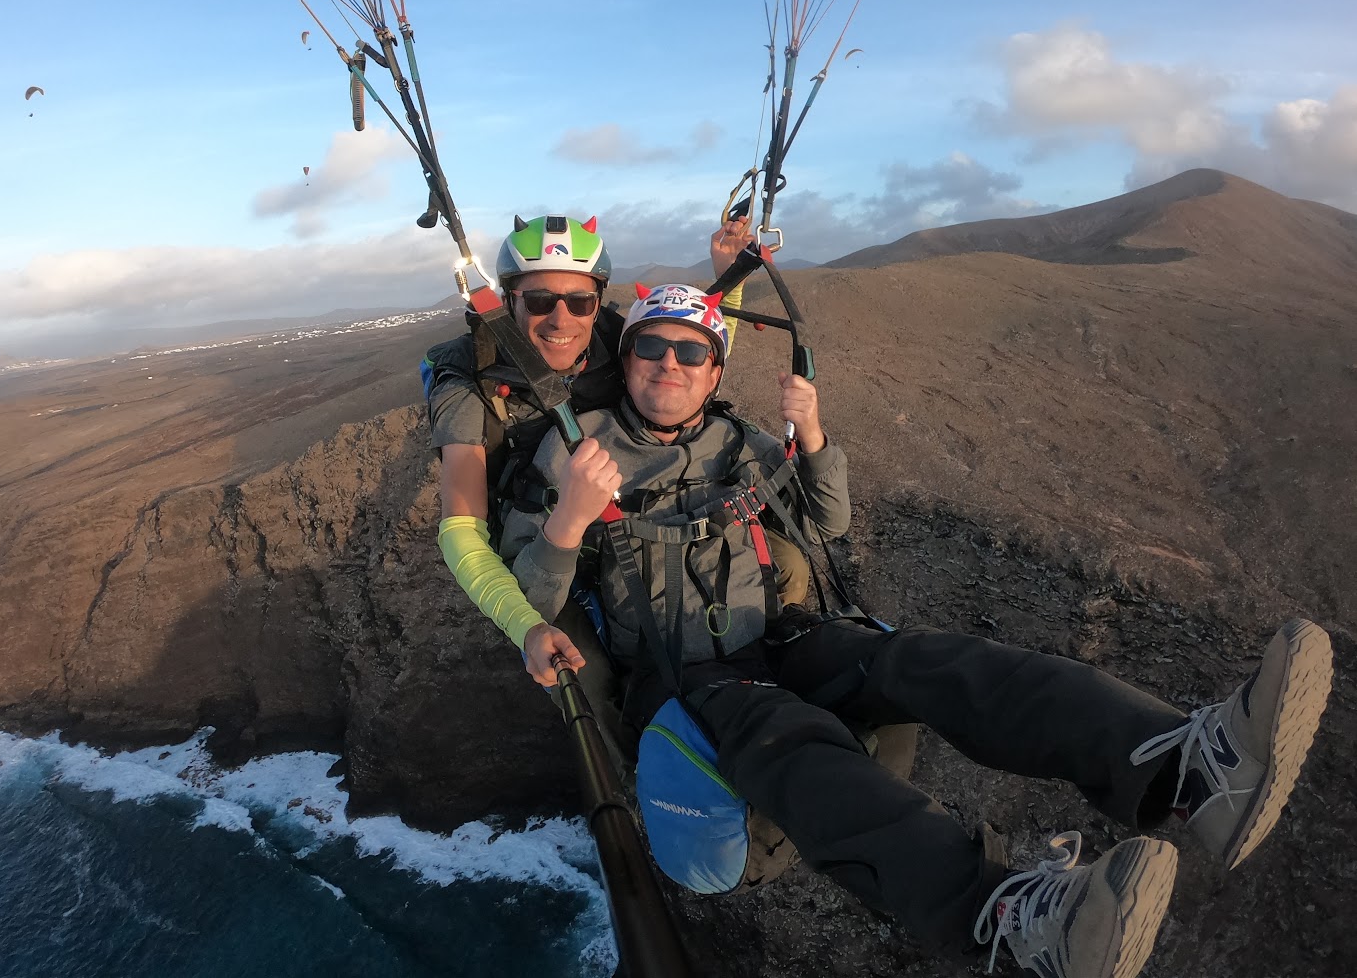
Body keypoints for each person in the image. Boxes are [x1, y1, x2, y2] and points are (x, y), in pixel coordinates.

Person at [498, 282, 1335, 978]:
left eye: (691, 351)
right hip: (682, 679)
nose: (669, 365)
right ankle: (1005, 916)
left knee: (926, 661)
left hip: (779, 637)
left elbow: (826, 522)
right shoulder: (571, 453)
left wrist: (813, 435)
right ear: (628, 355)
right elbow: (531, 600)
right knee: (779, 729)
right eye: (652, 347)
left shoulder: (739, 442)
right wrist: (569, 520)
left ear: (715, 368)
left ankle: (1186, 769)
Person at [426, 213, 761, 689]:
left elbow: (693, 364)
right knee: (589, 683)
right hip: (539, 541)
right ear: (508, 302)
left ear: (597, 302)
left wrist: (731, 277)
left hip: (617, 520)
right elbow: (461, 533)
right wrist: (527, 626)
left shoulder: (616, 339)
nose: (562, 319)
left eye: (580, 301)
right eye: (540, 300)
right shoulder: (467, 382)